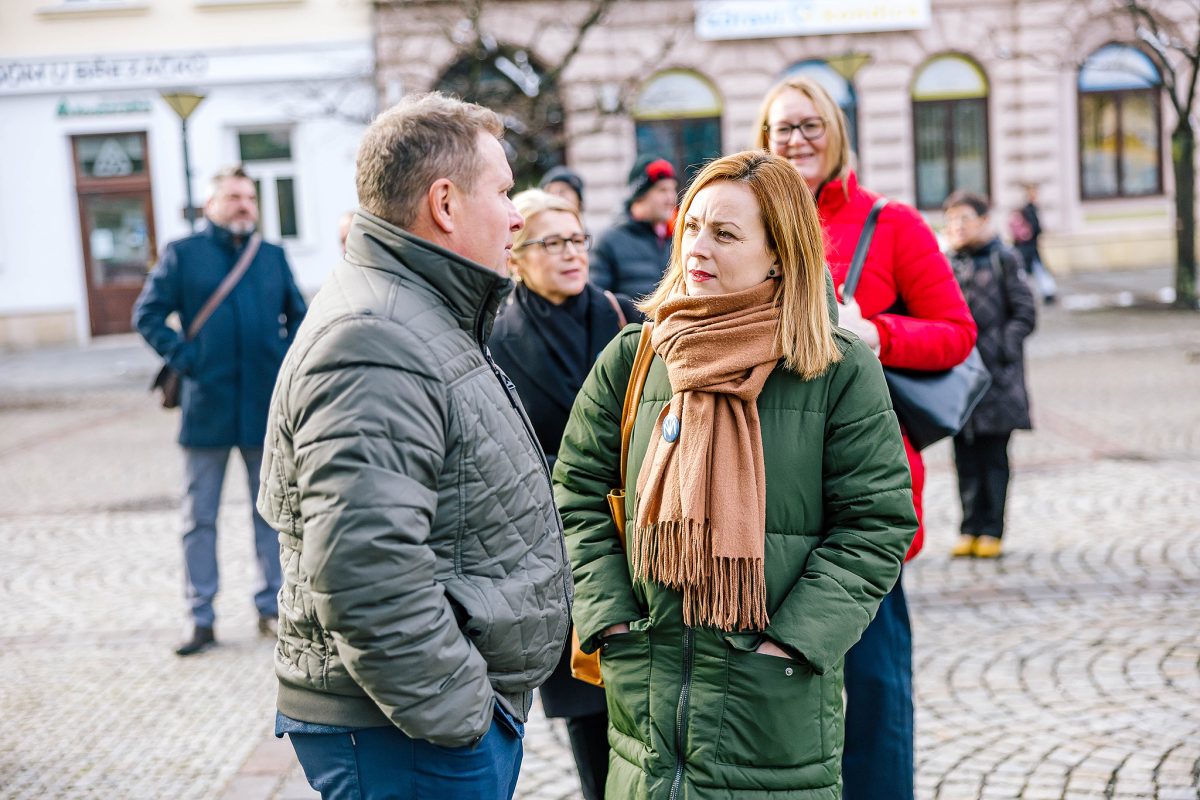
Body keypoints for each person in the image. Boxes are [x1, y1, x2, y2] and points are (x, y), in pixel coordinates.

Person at [553, 151, 918, 799]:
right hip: (647, 708)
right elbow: (576, 495)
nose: (697, 247)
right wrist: (610, 620)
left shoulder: (835, 368)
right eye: (692, 226)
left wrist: (792, 646)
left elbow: (877, 522)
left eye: (724, 234)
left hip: (774, 709)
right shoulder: (634, 358)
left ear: (779, 253)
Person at [256, 93, 572, 800]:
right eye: (502, 192)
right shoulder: (377, 337)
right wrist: (463, 717)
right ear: (445, 204)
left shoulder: (419, 310)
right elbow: (366, 571)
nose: (517, 216)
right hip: (409, 736)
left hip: (423, 728)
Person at [754, 76, 977, 800]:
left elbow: (957, 333)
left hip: (861, 487)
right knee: (776, 683)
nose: (797, 140)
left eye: (811, 125)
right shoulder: (748, 222)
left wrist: (874, 333)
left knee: (876, 685)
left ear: (837, 132)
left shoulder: (892, 223)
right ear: (763, 140)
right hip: (767, 488)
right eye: (783, 128)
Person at [490, 189, 636, 800]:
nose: (571, 253)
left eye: (577, 239)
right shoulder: (495, 336)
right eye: (551, 243)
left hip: (637, 533)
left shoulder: (624, 317)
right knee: (588, 707)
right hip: (560, 544)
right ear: (516, 256)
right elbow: (502, 445)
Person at [133, 165, 307, 657]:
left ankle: (271, 608)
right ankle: (201, 616)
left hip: (263, 406)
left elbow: (300, 317)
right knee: (199, 518)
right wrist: (187, 359)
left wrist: (283, 360)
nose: (244, 205)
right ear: (211, 205)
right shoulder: (183, 254)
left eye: (249, 197)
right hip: (205, 406)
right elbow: (147, 314)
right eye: (233, 197)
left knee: (269, 514)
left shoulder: (271, 256)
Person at [944, 190, 1037, 559]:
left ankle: (992, 529)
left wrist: (1002, 347)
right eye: (951, 219)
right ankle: (968, 527)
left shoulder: (1004, 258)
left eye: (965, 218)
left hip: (998, 380)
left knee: (994, 457)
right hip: (959, 379)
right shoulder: (946, 263)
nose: (957, 226)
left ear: (984, 221)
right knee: (964, 456)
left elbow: (1025, 313)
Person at [589, 154, 678, 298]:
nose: (671, 198)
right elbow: (597, 300)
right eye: (662, 190)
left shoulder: (678, 237)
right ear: (639, 194)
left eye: (673, 189)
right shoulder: (609, 241)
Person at [1011, 182, 1058, 304]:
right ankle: (1042, 293)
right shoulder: (1029, 209)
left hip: (1026, 246)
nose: (1035, 195)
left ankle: (1044, 292)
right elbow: (1035, 228)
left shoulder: (1026, 209)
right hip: (1028, 247)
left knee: (1032, 270)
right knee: (1029, 270)